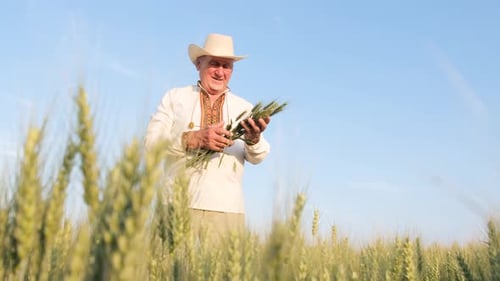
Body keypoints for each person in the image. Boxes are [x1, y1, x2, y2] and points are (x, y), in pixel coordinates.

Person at [145, 33, 271, 239]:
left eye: (226, 66)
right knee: (165, 270)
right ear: (198, 63)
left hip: (227, 211)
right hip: (175, 204)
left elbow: (259, 156)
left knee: (224, 272)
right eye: (214, 64)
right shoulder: (175, 97)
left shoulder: (245, 108)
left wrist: (254, 139)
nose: (220, 72)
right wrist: (194, 138)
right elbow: (151, 143)